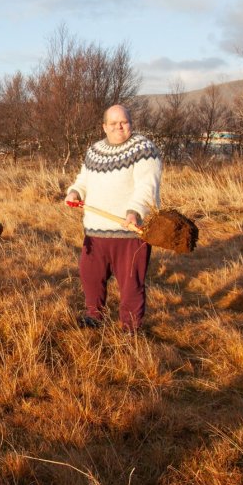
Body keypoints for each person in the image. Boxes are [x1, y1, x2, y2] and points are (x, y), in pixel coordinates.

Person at [64, 104, 162, 332]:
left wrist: (135, 211)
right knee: (90, 278)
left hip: (129, 232)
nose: (120, 127)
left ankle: (130, 329)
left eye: (124, 122)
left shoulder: (144, 148)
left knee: (131, 285)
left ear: (130, 123)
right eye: (114, 123)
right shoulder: (94, 151)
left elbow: (148, 186)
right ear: (104, 127)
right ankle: (94, 316)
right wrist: (75, 191)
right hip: (95, 232)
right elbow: (84, 179)